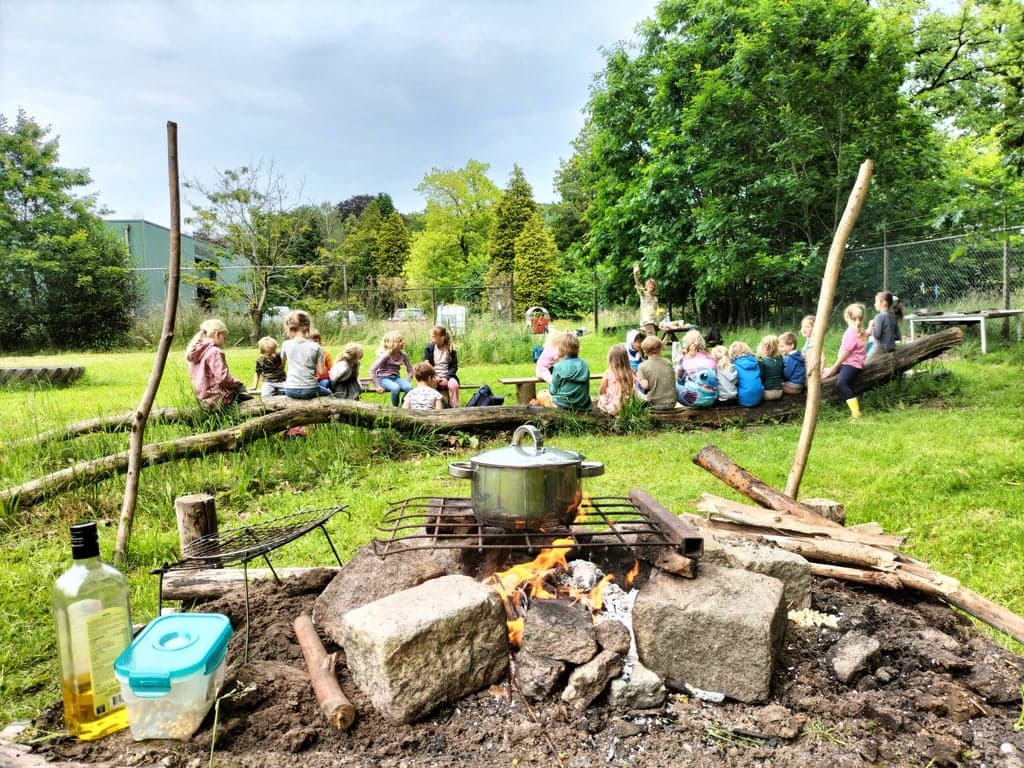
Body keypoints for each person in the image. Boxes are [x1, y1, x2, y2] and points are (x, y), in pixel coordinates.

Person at [185, 318, 252, 410]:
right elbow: (222, 378)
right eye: (224, 337)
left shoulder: (194, 352)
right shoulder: (215, 352)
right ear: (217, 335)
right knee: (251, 402)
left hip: (202, 398)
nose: (224, 340)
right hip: (218, 398)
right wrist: (238, 384)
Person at [823, 303, 868, 418]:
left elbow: (846, 353)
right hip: (849, 364)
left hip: (851, 365)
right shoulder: (856, 329)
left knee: (841, 384)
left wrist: (835, 367)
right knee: (826, 374)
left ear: (846, 316)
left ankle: (856, 413)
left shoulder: (852, 332)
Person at [280, 310, 326, 399]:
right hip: (311, 389)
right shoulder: (316, 346)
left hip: (290, 389)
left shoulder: (285, 344)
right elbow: (321, 372)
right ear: (307, 326)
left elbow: (281, 367)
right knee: (331, 395)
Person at [548, 332, 593, 411]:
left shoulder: (558, 367)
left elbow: (552, 391)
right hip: (583, 405)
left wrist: (550, 383)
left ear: (563, 349)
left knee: (542, 395)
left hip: (563, 405)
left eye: (556, 347)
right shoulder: (584, 365)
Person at [369, 330, 413, 407]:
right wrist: (377, 386)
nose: (403, 342)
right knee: (396, 388)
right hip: (383, 379)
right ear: (393, 344)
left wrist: (407, 381)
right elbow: (372, 369)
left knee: (409, 388)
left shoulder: (403, 355)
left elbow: (410, 370)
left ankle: (403, 406)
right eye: (400, 341)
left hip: (396, 378)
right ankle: (395, 408)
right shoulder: (386, 355)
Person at [636, 335, 680, 412]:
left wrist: (638, 380)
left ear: (644, 351)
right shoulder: (668, 362)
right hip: (672, 403)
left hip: (655, 404)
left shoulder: (642, 366)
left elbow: (645, 386)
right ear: (661, 349)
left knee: (636, 386)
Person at [595, 344, 636, 416]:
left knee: (601, 398)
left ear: (611, 359)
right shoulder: (631, 372)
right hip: (628, 406)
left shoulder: (608, 372)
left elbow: (601, 390)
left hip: (613, 407)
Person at [424, 325, 460, 407]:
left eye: (434, 337)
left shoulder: (450, 349)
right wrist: (435, 376)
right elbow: (427, 365)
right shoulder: (429, 348)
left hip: (448, 376)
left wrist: (446, 378)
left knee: (454, 385)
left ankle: (454, 406)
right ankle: (432, 405)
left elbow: (454, 367)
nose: (431, 339)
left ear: (441, 337)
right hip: (433, 376)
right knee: (430, 385)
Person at [866, 290, 901, 359]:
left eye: (876, 302)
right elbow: (898, 336)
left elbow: (877, 335)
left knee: (864, 365)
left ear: (884, 303)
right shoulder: (893, 317)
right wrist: (888, 338)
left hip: (879, 349)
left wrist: (871, 326)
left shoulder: (879, 317)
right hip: (891, 349)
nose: (874, 304)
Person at [728, 341, 764, 407]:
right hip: (759, 397)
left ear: (732, 353)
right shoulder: (755, 362)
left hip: (744, 400)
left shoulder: (734, 365)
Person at [632, 262, 659, 336]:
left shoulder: (655, 298)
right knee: (652, 341)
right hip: (647, 321)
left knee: (653, 341)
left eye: (652, 285)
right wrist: (635, 274)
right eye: (649, 284)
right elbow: (638, 284)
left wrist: (659, 316)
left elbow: (657, 310)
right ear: (646, 286)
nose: (651, 286)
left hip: (654, 322)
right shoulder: (643, 294)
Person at [756, 334, 784, 401]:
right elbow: (782, 374)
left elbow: (762, 376)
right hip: (780, 392)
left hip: (767, 393)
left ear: (763, 347)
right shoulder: (780, 358)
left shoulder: (761, 360)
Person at [309, 328, 333, 396]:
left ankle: (321, 395)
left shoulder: (326, 354)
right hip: (311, 380)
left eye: (316, 341)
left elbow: (331, 368)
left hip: (323, 379)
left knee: (325, 382)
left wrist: (324, 368)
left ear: (320, 341)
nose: (314, 344)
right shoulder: (307, 355)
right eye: (311, 342)